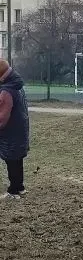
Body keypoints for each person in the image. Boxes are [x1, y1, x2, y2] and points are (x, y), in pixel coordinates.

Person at [0, 59, 30, 200]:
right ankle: (20, 187)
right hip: (20, 129)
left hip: (10, 133)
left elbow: (2, 119)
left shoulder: (6, 91)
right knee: (17, 160)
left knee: (11, 160)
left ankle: (13, 191)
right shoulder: (17, 85)